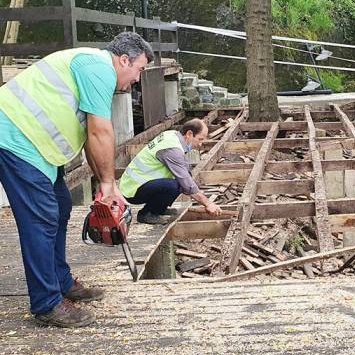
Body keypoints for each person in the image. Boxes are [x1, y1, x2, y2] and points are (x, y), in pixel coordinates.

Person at [0, 32, 154, 327]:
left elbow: (88, 140)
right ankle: (47, 304)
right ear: (124, 60)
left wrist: (105, 185)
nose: (137, 79)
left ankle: (61, 281)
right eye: (140, 69)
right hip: (16, 137)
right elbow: (100, 132)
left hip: (37, 146)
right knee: (41, 218)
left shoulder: (92, 71)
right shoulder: (98, 69)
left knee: (60, 206)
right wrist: (108, 186)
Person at [119, 118, 223, 224]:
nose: (200, 144)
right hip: (132, 190)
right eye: (200, 139)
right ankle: (147, 213)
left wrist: (197, 191)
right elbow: (186, 182)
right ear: (189, 134)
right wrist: (208, 203)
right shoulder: (172, 149)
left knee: (179, 182)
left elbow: (185, 173)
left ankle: (159, 208)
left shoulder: (172, 135)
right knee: (173, 185)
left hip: (138, 184)